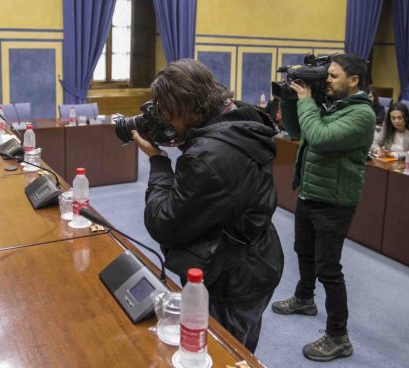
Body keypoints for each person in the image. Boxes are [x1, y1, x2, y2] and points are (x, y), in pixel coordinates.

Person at [133, 59, 283, 352]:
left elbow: (164, 224)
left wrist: (159, 162)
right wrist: (188, 138)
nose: (163, 119)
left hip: (232, 277)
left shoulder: (208, 156)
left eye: (167, 111)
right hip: (258, 259)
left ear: (187, 107)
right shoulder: (242, 118)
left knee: (219, 350)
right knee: (242, 347)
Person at [272, 53, 375, 362]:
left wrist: (305, 101)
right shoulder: (331, 107)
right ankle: (305, 298)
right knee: (303, 250)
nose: (326, 81)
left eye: (333, 76)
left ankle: (338, 336)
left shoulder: (361, 115)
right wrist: (291, 99)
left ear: (353, 80)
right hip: (310, 192)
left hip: (334, 201)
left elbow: (318, 137)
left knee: (329, 268)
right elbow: (297, 132)